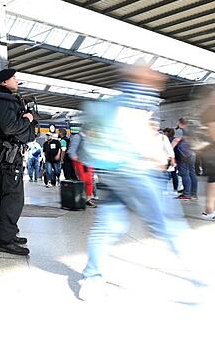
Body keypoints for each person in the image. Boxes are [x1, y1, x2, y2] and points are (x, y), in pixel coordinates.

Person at [79, 64, 205, 301]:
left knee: (106, 227)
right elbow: (134, 129)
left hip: (111, 171)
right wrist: (156, 158)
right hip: (136, 171)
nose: (159, 77)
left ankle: (92, 278)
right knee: (168, 226)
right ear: (141, 78)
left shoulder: (113, 100)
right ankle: (203, 280)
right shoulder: (139, 95)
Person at [0, 68, 36, 256]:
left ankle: (9, 232)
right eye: (13, 78)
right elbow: (9, 127)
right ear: (3, 83)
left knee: (11, 196)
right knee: (13, 198)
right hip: (10, 155)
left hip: (9, 154)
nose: (16, 81)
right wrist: (27, 119)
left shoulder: (3, 100)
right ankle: (5, 240)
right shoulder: (5, 101)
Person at [66, 131, 97, 208]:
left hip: (88, 162)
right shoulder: (78, 137)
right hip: (80, 162)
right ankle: (80, 198)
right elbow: (71, 151)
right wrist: (77, 159)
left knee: (89, 181)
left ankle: (87, 199)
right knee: (83, 181)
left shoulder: (87, 138)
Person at [173, 118, 198, 200]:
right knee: (192, 173)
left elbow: (176, 140)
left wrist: (168, 149)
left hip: (184, 154)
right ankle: (193, 194)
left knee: (184, 173)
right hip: (193, 153)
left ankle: (186, 194)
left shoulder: (180, 130)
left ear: (180, 122)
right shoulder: (193, 130)